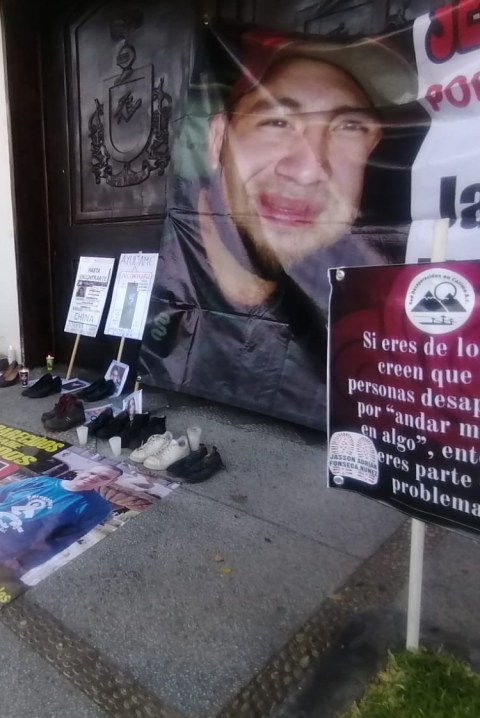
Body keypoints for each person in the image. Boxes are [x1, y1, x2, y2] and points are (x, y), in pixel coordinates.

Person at [141, 33, 417, 429]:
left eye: (349, 126)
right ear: (218, 139)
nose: (308, 170)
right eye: (276, 122)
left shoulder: (371, 311)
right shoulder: (163, 273)